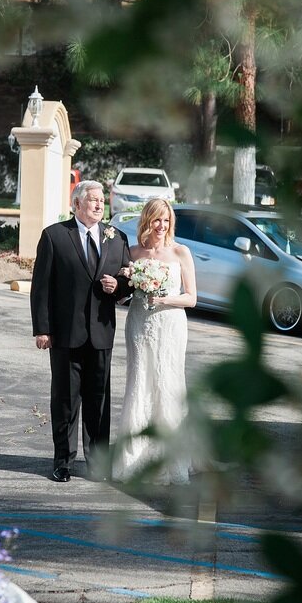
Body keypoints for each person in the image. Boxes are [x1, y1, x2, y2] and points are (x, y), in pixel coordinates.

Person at [30, 180, 131, 483]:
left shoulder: (117, 238)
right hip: (65, 334)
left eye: (102, 201)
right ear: (76, 204)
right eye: (93, 200)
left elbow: (128, 279)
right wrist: (42, 329)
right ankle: (63, 461)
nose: (100, 205)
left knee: (98, 401)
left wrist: (118, 287)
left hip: (101, 333)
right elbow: (41, 288)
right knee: (65, 400)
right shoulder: (55, 236)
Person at [112, 198, 197, 485]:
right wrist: (124, 288)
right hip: (139, 323)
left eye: (166, 221)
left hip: (171, 325)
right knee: (140, 383)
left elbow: (191, 298)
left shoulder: (181, 252)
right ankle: (134, 458)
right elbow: (124, 294)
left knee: (169, 385)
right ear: (146, 221)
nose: (161, 226)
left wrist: (162, 298)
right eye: (156, 220)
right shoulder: (134, 252)